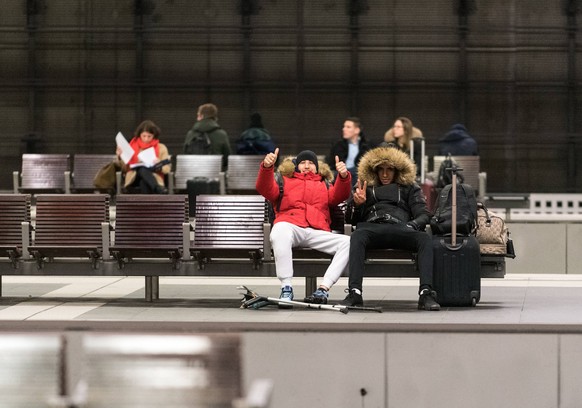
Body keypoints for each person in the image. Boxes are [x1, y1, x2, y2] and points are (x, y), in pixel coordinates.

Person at [340, 146, 440, 311]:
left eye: (389, 170)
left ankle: (426, 293)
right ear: (375, 170)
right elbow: (351, 220)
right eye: (381, 169)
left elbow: (423, 214)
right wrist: (357, 205)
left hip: (401, 227)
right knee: (357, 236)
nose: (385, 174)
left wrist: (411, 225)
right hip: (372, 227)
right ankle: (355, 292)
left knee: (424, 239)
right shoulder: (364, 187)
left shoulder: (409, 188)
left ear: (397, 171)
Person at [256, 148, 352, 305]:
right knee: (279, 230)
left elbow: (339, 196)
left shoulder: (324, 184)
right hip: (291, 227)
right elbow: (264, 189)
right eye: (302, 162)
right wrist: (267, 168)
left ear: (317, 166)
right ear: (296, 166)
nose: (307, 166)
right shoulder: (284, 180)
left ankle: (323, 289)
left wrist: (343, 176)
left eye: (311, 163)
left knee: (348, 242)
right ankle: (286, 287)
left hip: (317, 231)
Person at [116, 120, 171, 194]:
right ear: (139, 135)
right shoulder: (132, 146)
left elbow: (167, 169)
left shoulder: (161, 147)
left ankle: (147, 204)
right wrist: (120, 156)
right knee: (142, 168)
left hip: (153, 177)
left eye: (149, 136)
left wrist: (159, 164)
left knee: (144, 182)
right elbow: (124, 168)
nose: (146, 139)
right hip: (133, 178)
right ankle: (157, 189)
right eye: (144, 136)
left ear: (154, 135)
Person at [184, 103, 231, 171]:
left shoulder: (190, 134)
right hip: (215, 176)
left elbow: (185, 156)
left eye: (198, 115)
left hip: (193, 175)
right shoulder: (222, 134)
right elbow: (227, 158)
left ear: (201, 116)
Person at [327, 117, 372, 187]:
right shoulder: (338, 145)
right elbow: (331, 163)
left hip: (358, 172)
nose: (344, 129)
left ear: (357, 130)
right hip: (342, 171)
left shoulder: (366, 145)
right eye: (344, 126)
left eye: (348, 127)